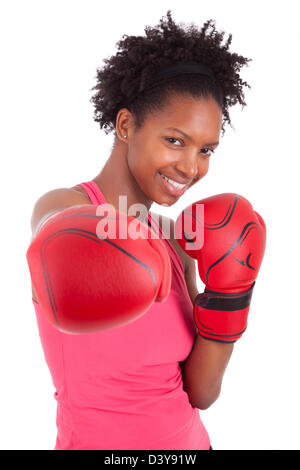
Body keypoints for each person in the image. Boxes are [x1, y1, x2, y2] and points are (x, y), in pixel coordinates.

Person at [27, 10, 259, 450]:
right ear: (127, 125)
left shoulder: (176, 237)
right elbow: (52, 237)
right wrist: (108, 245)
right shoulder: (67, 210)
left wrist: (233, 293)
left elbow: (201, 393)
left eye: (206, 149)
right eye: (175, 140)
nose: (191, 168)